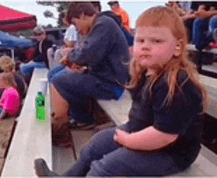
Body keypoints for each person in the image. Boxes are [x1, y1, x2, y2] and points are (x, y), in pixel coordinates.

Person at [34, 6, 207, 176]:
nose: (146, 46)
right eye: (140, 41)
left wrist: (129, 141)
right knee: (94, 146)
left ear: (177, 47)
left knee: (107, 166)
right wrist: (129, 133)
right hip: (142, 132)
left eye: (156, 41)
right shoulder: (146, 73)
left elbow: (164, 136)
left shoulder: (176, 84)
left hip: (171, 153)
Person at [48, 2, 130, 147]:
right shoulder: (102, 24)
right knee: (64, 78)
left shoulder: (103, 25)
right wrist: (80, 66)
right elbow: (91, 57)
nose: (77, 29)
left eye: (75, 24)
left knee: (58, 81)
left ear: (82, 16)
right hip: (107, 79)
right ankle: (80, 119)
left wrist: (70, 57)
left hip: (112, 85)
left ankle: (61, 133)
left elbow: (87, 54)